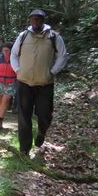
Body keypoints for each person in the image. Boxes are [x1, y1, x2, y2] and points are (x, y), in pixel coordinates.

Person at [10, 9, 67, 155]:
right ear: (29, 20)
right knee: (24, 117)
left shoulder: (54, 37)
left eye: (38, 19)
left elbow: (62, 56)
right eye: (33, 19)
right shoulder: (23, 36)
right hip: (24, 82)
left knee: (45, 115)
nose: (35, 21)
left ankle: (42, 132)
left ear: (43, 20)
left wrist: (52, 72)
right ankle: (24, 149)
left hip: (45, 84)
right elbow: (14, 54)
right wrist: (18, 70)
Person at [0, 42, 17, 129]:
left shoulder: (15, 59)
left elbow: (18, 70)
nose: (5, 52)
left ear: (11, 51)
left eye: (7, 50)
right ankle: (0, 114)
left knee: (6, 100)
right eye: (4, 50)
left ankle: (0, 119)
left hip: (11, 82)